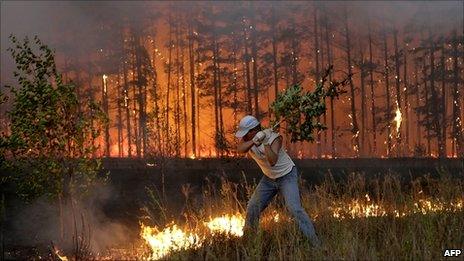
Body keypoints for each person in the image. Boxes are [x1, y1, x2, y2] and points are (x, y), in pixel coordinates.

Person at [235, 115, 321, 247]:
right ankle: (248, 242)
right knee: (253, 207)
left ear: (253, 130)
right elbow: (240, 149)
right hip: (269, 178)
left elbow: (272, 161)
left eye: (246, 133)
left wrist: (264, 142)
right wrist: (254, 141)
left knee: (294, 209)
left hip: (287, 175)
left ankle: (316, 245)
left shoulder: (274, 138)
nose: (244, 136)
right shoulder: (249, 139)